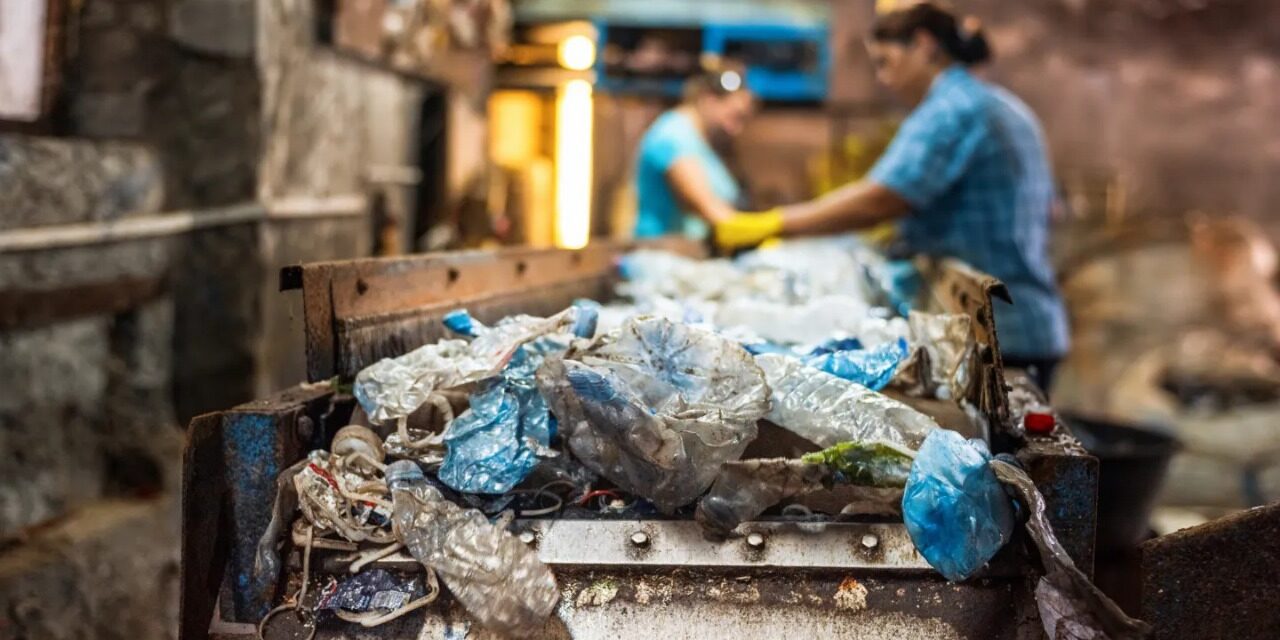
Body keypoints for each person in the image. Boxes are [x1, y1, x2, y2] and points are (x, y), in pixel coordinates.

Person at [714, 2, 1068, 389]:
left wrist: (775, 223)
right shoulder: (999, 104)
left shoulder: (952, 108)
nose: (882, 79)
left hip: (1001, 336)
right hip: (1025, 321)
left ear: (923, 44)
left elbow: (881, 198)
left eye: (885, 62)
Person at [632, 65, 758, 240]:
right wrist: (780, 223)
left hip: (690, 250)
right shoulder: (673, 137)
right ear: (709, 100)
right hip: (661, 250)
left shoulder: (705, 142)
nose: (737, 129)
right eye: (734, 116)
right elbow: (712, 212)